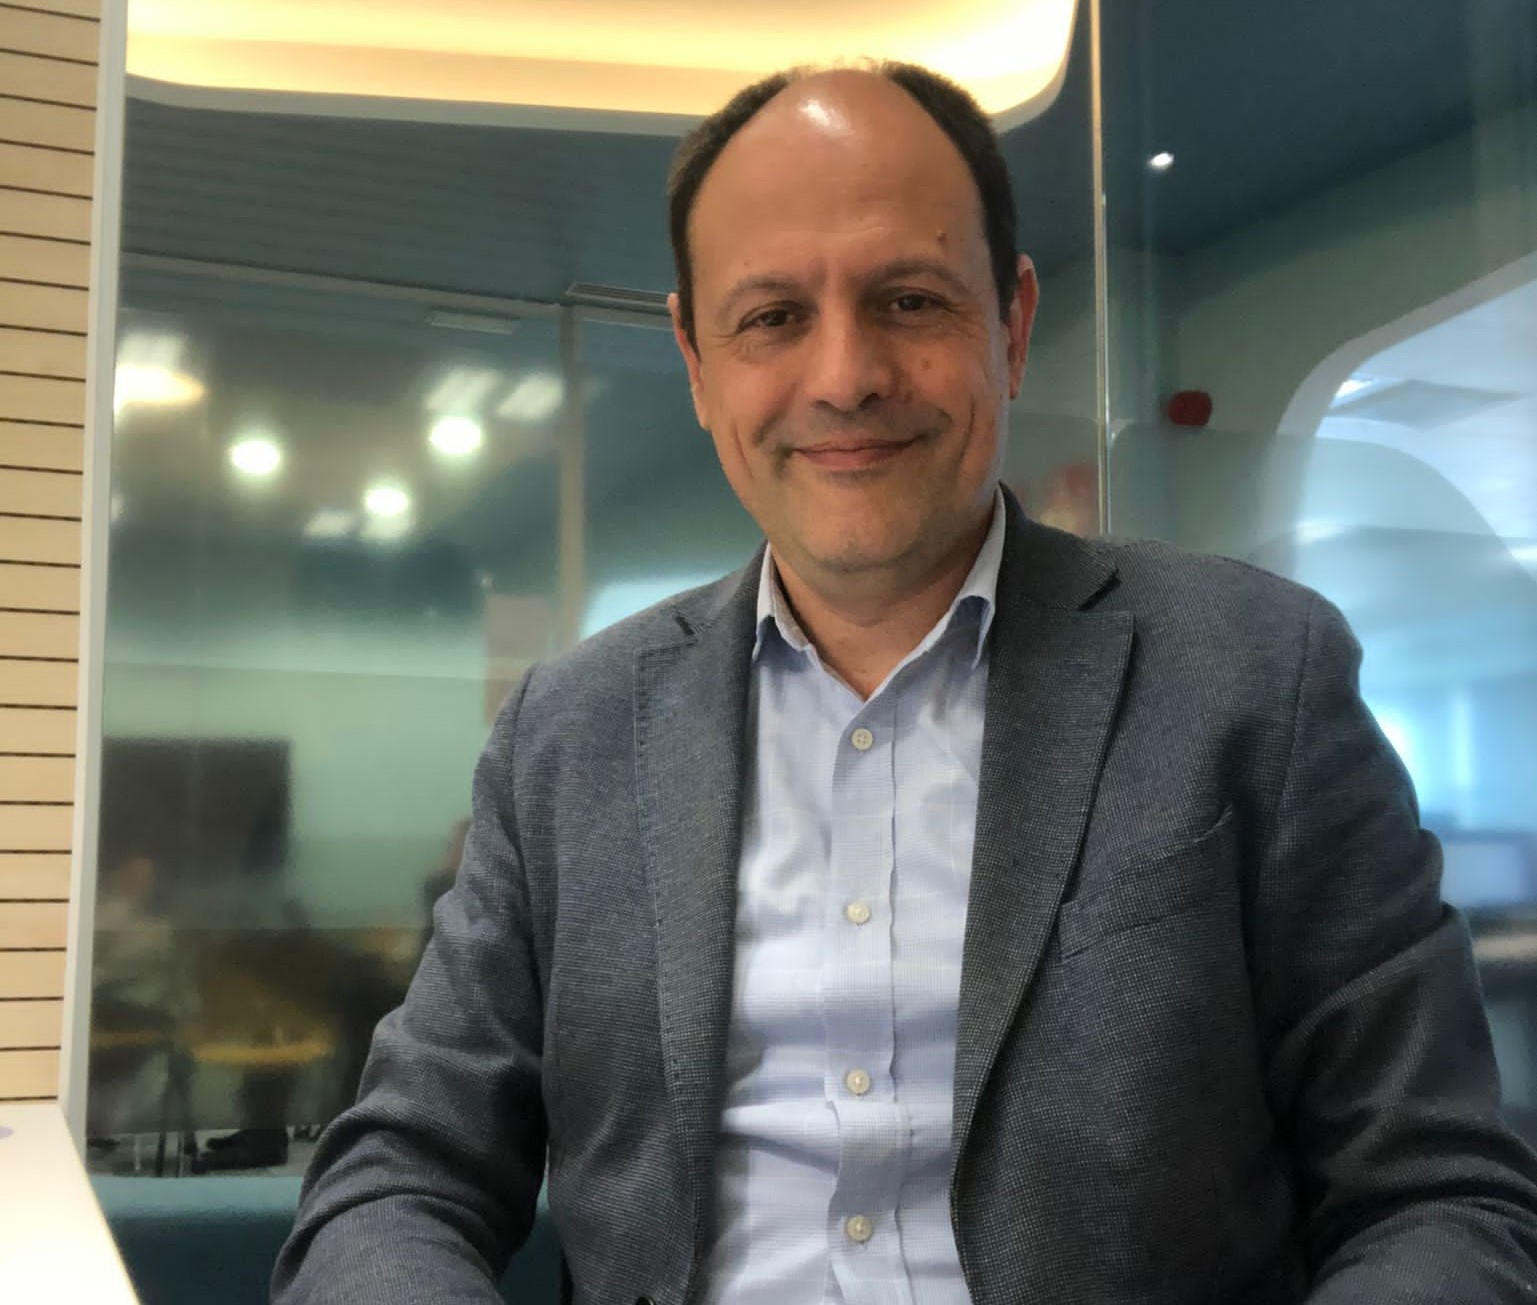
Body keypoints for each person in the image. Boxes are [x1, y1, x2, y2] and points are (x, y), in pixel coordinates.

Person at [272, 62, 1537, 1304]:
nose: (845, 376)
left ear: (1012, 326)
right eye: (772, 317)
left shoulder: (1257, 678)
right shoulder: (568, 734)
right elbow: (399, 1176)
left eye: (911, 300)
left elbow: (1437, 1198)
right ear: (698, 362)